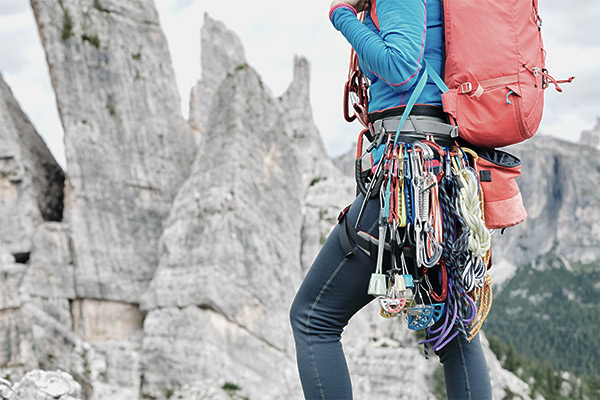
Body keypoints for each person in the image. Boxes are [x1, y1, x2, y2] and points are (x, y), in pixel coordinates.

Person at [289, 0, 494, 399]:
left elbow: (399, 67)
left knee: (314, 318)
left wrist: (341, 15)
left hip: (406, 179)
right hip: (443, 180)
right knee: (456, 331)